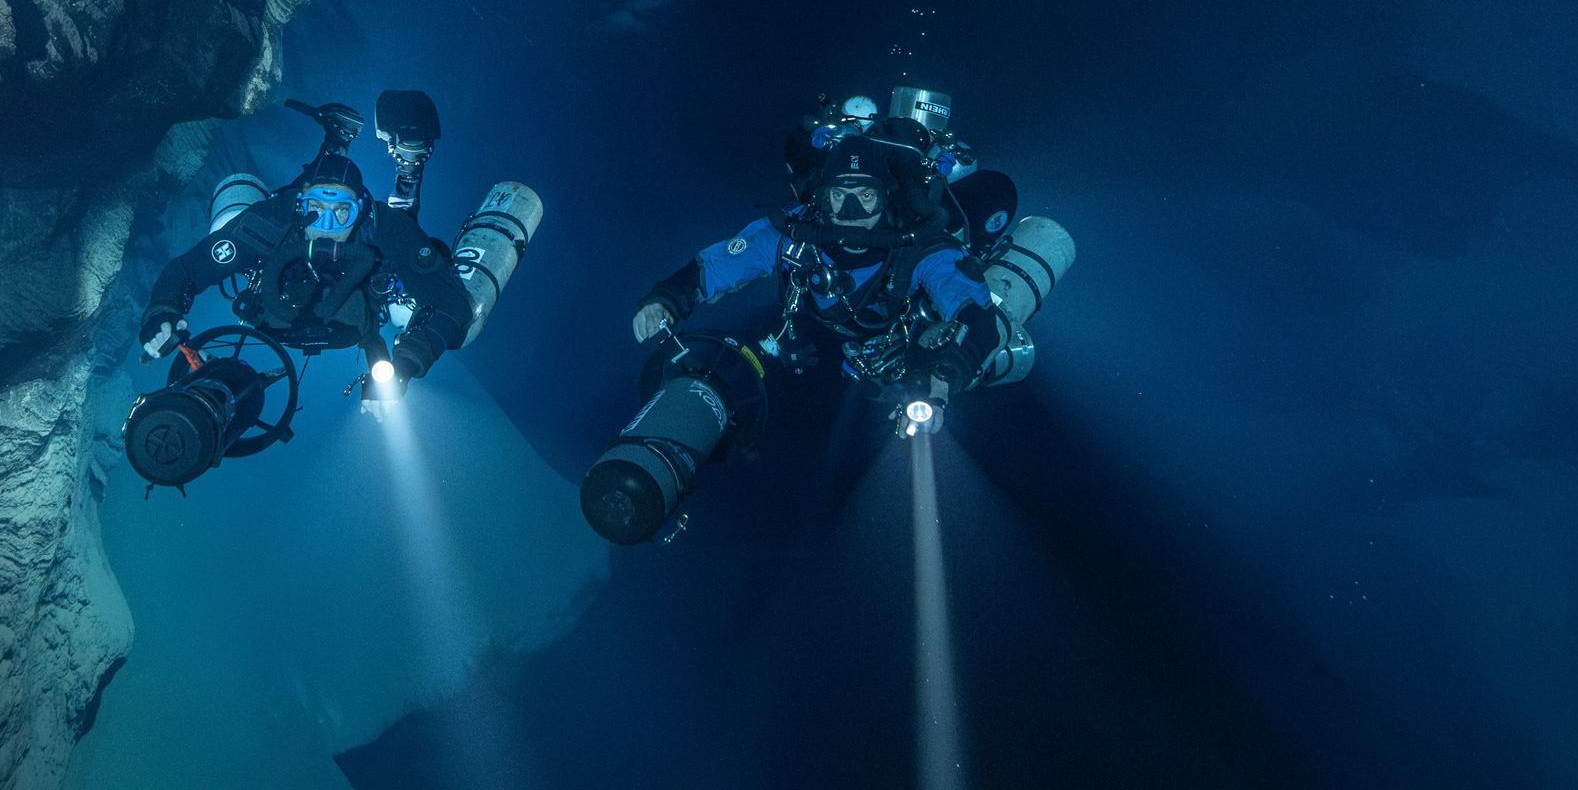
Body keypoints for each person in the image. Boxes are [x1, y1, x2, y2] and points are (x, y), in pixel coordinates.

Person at [580, 85, 1070, 544]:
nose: (852, 209)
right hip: (815, 338)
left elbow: (972, 310)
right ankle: (658, 465)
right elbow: (715, 265)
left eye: (867, 196)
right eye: (840, 195)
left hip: (899, 349)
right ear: (820, 197)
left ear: (888, 197)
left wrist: (941, 379)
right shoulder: (792, 235)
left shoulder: (922, 248)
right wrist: (668, 297)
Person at [124, 91, 541, 488]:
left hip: (361, 308)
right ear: (299, 206)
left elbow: (451, 304)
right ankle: (335, 143)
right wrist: (163, 310)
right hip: (276, 312)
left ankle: (407, 172)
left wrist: (405, 364)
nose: (326, 224)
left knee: (444, 313)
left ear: (361, 210)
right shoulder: (271, 219)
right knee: (227, 230)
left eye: (341, 211)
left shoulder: (384, 229)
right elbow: (187, 269)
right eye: (315, 210)